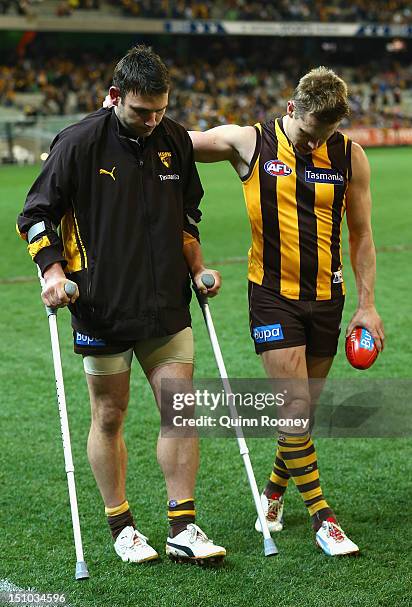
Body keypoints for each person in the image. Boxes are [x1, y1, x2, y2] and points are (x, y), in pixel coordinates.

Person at [17, 45, 226, 565]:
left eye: (161, 109)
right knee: (110, 415)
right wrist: (53, 272)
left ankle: (184, 525)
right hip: (102, 307)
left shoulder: (174, 140)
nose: (152, 121)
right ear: (114, 97)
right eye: (140, 111)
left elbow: (186, 219)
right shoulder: (79, 142)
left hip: (164, 307)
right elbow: (37, 215)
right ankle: (123, 526)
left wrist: (197, 266)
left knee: (182, 410)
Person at [189, 66, 385, 556]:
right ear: (291, 108)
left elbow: (360, 234)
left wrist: (368, 305)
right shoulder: (249, 142)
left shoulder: (349, 156)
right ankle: (324, 518)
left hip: (327, 298)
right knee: (294, 408)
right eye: (305, 132)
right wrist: (114, 120)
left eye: (323, 135)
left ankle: (274, 490)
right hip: (271, 295)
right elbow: (178, 141)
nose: (310, 142)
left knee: (303, 414)